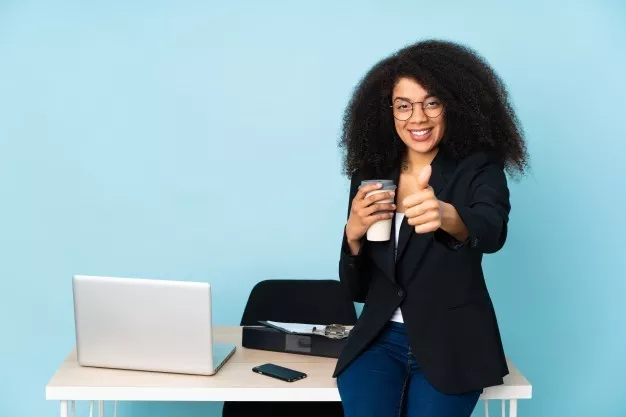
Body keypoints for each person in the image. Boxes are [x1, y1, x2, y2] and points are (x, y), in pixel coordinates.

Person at [333, 39, 529, 417]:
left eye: (431, 103)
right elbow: (357, 291)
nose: (417, 118)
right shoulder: (372, 174)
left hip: (453, 343)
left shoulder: (479, 167)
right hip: (378, 341)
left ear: (453, 105)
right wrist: (353, 235)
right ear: (387, 111)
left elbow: (492, 230)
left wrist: (449, 216)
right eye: (403, 106)